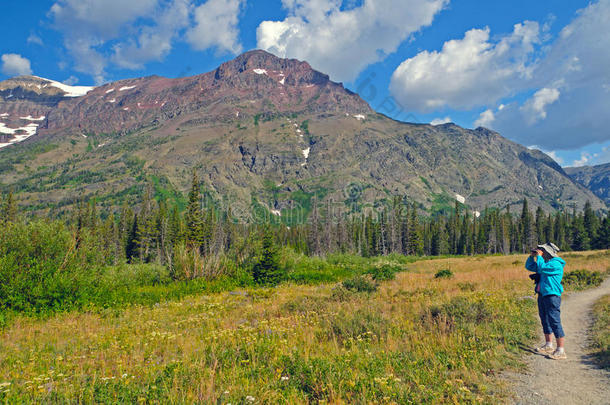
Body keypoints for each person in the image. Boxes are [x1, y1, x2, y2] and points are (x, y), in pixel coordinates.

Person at [525, 242, 567, 360]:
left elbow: (542, 268)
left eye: (542, 250)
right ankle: (549, 345)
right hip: (542, 294)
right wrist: (531, 256)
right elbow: (529, 266)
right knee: (544, 319)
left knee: (554, 320)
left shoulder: (556, 264)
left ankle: (560, 350)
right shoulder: (545, 262)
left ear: (548, 252)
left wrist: (538, 257)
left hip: (552, 295)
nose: (540, 252)